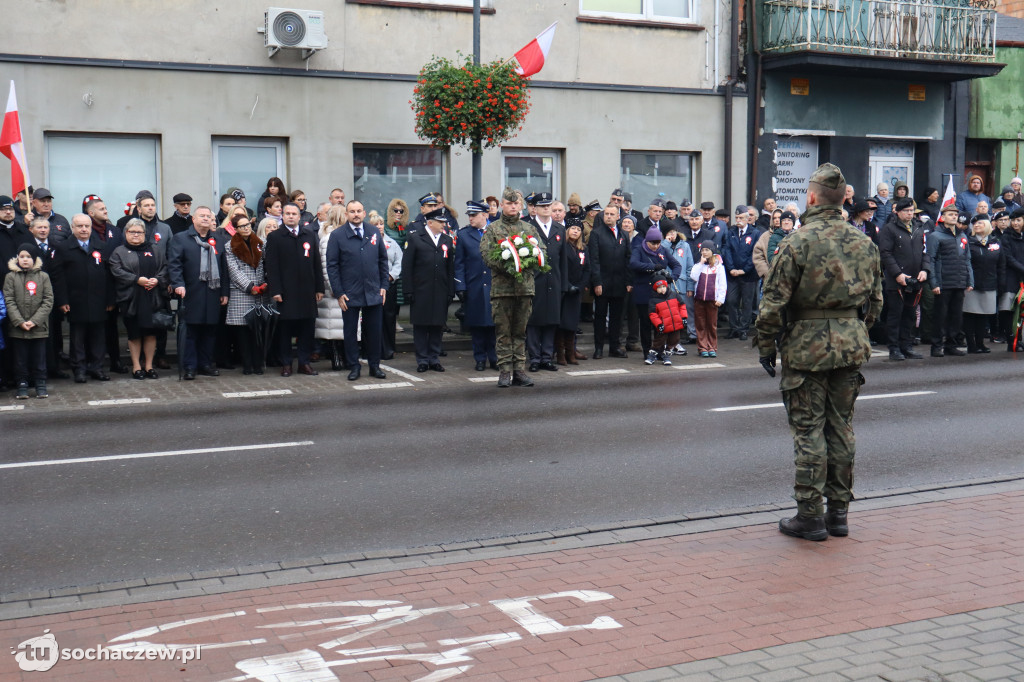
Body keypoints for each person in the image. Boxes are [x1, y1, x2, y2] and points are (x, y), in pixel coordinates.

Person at [755, 162, 883, 541]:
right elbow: (876, 303)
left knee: (809, 430)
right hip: (850, 345)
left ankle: (810, 516)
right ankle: (838, 514)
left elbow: (772, 304)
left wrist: (766, 346)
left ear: (811, 197)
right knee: (841, 427)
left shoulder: (796, 242)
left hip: (806, 347)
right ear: (842, 199)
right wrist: (854, 331)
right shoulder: (864, 242)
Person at [481, 188, 545, 387]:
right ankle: (504, 371)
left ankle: (519, 370)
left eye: (516, 203)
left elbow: (541, 251)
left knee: (520, 331)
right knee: (503, 332)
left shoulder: (529, 228)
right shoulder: (493, 229)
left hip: (524, 289)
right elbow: (487, 255)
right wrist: (510, 264)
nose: (513, 206)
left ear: (521, 205)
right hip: (502, 290)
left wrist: (527, 261)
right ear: (502, 205)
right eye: (509, 203)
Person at [325, 200, 388, 380]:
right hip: (349, 293)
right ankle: (354, 366)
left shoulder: (373, 231)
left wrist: (384, 285)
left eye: (359, 211)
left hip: (373, 291)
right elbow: (332, 266)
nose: (356, 214)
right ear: (346, 214)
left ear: (364, 213)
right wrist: (339, 292)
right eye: (352, 211)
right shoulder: (337, 235)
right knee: (350, 332)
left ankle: (375, 366)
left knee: (374, 332)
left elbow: (382, 260)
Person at [167, 206, 230, 379]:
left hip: (213, 292)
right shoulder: (181, 238)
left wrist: (224, 292)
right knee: (191, 330)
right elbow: (174, 264)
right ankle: (189, 366)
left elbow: (224, 268)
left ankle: (205, 364)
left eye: (208, 216)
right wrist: (178, 284)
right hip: (190, 291)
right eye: (201, 216)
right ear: (193, 219)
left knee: (210, 330)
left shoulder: (218, 240)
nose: (205, 219)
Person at [265, 203, 325, 377]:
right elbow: (272, 266)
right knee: (285, 330)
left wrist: (319, 287)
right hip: (286, 291)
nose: (291, 216)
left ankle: (304, 363)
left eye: (294, 214)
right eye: (287, 213)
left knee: (307, 328)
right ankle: (286, 363)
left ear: (299, 216)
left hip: (307, 290)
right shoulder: (275, 237)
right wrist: (275, 290)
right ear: (282, 216)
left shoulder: (309, 235)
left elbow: (316, 263)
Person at [109, 218, 168, 380]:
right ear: (126, 233)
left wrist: (157, 280)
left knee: (151, 333)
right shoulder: (119, 252)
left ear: (144, 234)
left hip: (153, 297)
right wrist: (136, 280)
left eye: (139, 232)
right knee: (134, 333)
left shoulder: (155, 249)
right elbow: (117, 271)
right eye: (132, 232)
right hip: (131, 299)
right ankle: (136, 366)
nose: (136, 235)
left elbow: (164, 267)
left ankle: (149, 366)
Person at [60, 213, 116, 383]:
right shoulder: (64, 248)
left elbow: (109, 275)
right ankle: (79, 369)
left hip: (99, 300)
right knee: (77, 338)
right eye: (80, 226)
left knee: (98, 336)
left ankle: (97, 368)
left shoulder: (101, 247)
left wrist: (110, 299)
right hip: (75, 301)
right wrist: (63, 300)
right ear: (73, 228)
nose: (84, 229)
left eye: (87, 226)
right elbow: (59, 277)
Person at [402, 207, 455, 373]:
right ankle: (422, 359)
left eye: (444, 222)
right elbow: (407, 266)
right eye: (440, 222)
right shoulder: (415, 238)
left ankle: (434, 358)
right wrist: (408, 290)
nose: (443, 225)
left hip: (440, 290)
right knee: (421, 326)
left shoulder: (446, 240)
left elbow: (450, 268)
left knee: (437, 326)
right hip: (420, 290)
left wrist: (450, 290)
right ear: (430, 223)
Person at [879, 198, 930, 360]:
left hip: (916, 279)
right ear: (898, 212)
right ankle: (894, 348)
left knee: (910, 315)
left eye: (911, 211)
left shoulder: (919, 228)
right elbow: (885, 253)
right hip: (897, 279)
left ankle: (906, 346)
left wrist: (925, 270)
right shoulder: (889, 229)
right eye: (906, 211)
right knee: (896, 314)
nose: (909, 214)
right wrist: (897, 274)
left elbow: (925, 251)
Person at [4, 244, 54, 398]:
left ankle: (40, 383)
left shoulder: (43, 276)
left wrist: (35, 321)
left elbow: (48, 300)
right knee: (20, 359)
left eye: (28, 257)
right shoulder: (10, 277)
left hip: (39, 327)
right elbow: (9, 300)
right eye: (22, 256)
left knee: (39, 358)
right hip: (18, 328)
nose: (25, 260)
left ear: (35, 259)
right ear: (17, 258)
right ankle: (22, 384)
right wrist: (19, 321)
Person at [526, 192, 567, 372]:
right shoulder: (528, 228)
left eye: (548, 205)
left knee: (551, 321)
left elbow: (563, 260)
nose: (545, 209)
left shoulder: (559, 229)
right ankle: (534, 358)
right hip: (535, 282)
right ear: (534, 209)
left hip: (554, 282)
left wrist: (563, 285)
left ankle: (546, 357)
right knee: (534, 322)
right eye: (542, 206)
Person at [455, 200, 497, 371]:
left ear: (485, 215)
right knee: (477, 325)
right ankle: (480, 358)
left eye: (474, 215)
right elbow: (459, 264)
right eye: (469, 215)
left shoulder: (497, 231)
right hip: (475, 285)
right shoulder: (464, 235)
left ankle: (495, 358)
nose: (470, 218)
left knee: (495, 325)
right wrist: (460, 287)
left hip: (495, 285)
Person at [224, 212, 267, 375]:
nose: (246, 228)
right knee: (243, 331)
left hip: (260, 291)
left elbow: (264, 264)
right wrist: (250, 287)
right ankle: (247, 364)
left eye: (247, 224)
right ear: (235, 229)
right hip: (241, 292)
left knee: (257, 330)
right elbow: (234, 271)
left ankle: (258, 364)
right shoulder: (230, 246)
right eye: (242, 226)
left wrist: (263, 283)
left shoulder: (260, 242)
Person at [631, 227, 682, 361]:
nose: (655, 246)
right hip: (643, 292)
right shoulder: (638, 249)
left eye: (658, 243)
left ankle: (658, 350)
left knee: (660, 324)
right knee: (645, 324)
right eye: (652, 243)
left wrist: (672, 277)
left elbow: (677, 265)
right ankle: (647, 351)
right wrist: (652, 267)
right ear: (647, 241)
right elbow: (633, 264)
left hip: (660, 295)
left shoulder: (663, 250)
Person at [926, 205, 971, 357]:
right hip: (943, 282)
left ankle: (951, 344)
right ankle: (936, 345)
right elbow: (930, 260)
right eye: (950, 214)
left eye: (955, 215)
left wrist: (969, 280)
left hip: (959, 281)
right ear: (943, 217)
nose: (953, 217)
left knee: (956, 316)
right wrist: (934, 283)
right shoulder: (935, 236)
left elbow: (967, 259)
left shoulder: (962, 235)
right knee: (940, 316)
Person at [588, 204, 631, 359]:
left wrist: (628, 281)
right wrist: (597, 282)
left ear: (618, 216)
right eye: (606, 214)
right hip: (603, 282)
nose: (608, 217)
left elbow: (628, 258)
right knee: (600, 317)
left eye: (612, 214)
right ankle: (599, 348)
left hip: (619, 282)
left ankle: (614, 347)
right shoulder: (596, 233)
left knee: (616, 318)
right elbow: (594, 260)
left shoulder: (624, 234)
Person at [314, 204, 348, 371]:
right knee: (332, 328)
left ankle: (344, 357)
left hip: (344, 288)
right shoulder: (328, 238)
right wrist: (336, 288)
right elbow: (326, 266)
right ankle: (336, 358)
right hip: (334, 290)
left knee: (341, 326)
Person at [963, 217, 1003, 353]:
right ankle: (971, 344)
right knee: (970, 314)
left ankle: (980, 343)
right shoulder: (968, 242)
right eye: (975, 223)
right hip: (972, 284)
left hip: (990, 283)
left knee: (982, 315)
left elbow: (1001, 264)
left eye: (980, 223)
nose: (976, 225)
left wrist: (1000, 282)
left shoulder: (995, 242)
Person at [722, 205, 761, 340]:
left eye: (741, 218)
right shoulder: (731, 232)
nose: (738, 220)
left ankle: (744, 329)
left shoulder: (755, 233)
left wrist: (744, 270)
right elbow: (727, 250)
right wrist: (731, 268)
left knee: (747, 303)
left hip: (748, 275)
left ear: (747, 218)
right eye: (737, 217)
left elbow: (755, 253)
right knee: (731, 301)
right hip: (732, 274)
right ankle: (734, 328)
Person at [371, 210, 402, 361]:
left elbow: (399, 261)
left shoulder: (392, 243)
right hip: (373, 285)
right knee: (373, 318)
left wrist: (391, 276)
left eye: (381, 224)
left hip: (389, 284)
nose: (379, 226)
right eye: (376, 224)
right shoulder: (367, 242)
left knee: (389, 317)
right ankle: (373, 349)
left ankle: (389, 349)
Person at [559, 221, 589, 365]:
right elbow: (559, 268)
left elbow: (587, 269)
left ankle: (570, 353)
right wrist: (568, 285)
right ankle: (560, 354)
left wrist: (580, 286)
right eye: (573, 228)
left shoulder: (583, 249)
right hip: (564, 290)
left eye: (578, 229)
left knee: (572, 323)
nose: (575, 231)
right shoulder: (562, 246)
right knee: (562, 323)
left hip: (577, 291)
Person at [690, 240, 727, 357]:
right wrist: (700, 264)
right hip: (699, 299)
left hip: (712, 300)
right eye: (702, 250)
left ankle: (712, 347)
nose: (704, 252)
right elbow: (693, 276)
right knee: (700, 324)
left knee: (711, 324)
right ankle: (702, 347)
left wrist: (720, 298)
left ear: (712, 251)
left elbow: (722, 283)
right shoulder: (699, 266)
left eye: (707, 250)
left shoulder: (718, 267)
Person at [646, 279, 685, 365]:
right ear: (655, 289)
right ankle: (652, 355)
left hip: (676, 324)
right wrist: (659, 324)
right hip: (664, 325)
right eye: (659, 287)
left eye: (664, 286)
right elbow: (653, 314)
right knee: (659, 341)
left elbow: (682, 306)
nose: (662, 289)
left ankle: (666, 355)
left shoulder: (674, 295)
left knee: (674, 340)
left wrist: (684, 317)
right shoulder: (653, 300)